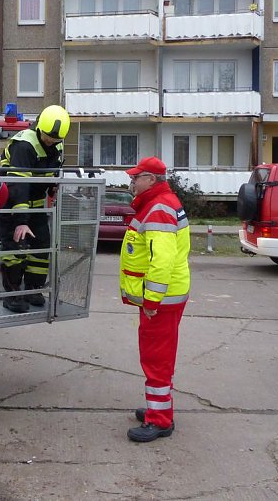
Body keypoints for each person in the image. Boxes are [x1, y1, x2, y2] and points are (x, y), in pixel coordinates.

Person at [120, 156, 190, 443]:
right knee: (160, 355)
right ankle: (159, 410)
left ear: (152, 179)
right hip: (166, 296)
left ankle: (159, 420)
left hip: (162, 300)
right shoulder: (159, 203)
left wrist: (151, 301)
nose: (132, 181)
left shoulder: (159, 208)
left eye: (137, 177)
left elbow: (162, 260)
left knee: (156, 357)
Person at [0, 105, 70, 313]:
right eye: (48, 137)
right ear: (39, 128)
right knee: (16, 249)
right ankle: (12, 295)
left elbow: (51, 172)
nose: (51, 142)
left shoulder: (56, 145)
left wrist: (53, 186)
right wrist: (21, 220)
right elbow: (18, 185)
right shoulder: (24, 144)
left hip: (37, 205)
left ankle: (33, 289)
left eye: (55, 140)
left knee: (41, 246)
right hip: (13, 204)